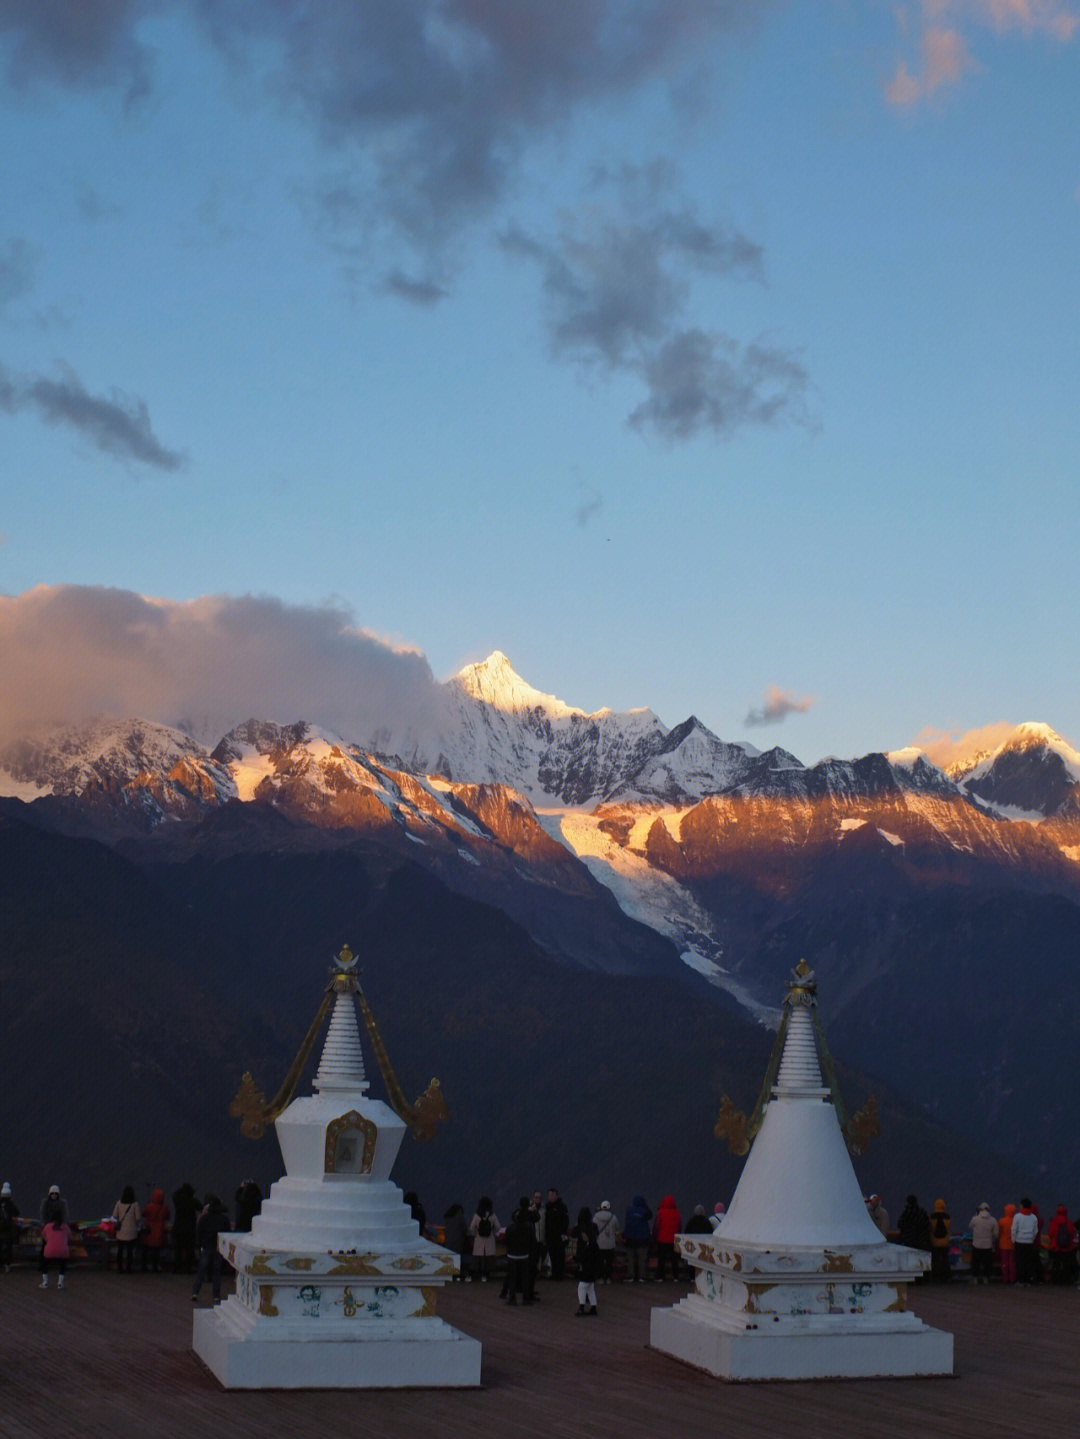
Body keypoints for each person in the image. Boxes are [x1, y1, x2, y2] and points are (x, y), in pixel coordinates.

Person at [192, 1195, 230, 1304]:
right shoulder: (224, 1219)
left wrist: (200, 1244)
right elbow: (227, 1234)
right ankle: (216, 1295)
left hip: (206, 1246)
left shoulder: (204, 1218)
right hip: (218, 1247)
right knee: (217, 1272)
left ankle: (195, 1292)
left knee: (202, 1270)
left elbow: (198, 1231)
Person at [503, 1201, 534, 1305]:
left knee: (513, 1278)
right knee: (525, 1278)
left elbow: (506, 1241)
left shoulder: (510, 1228)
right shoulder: (529, 1227)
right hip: (524, 1256)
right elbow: (532, 1241)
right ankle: (526, 1299)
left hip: (512, 1256)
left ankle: (512, 1298)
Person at [573, 1207, 600, 1316]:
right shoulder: (594, 1227)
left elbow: (573, 1234)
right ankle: (593, 1307)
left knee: (582, 1286)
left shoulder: (579, 1227)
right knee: (590, 1287)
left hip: (584, 1259)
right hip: (593, 1263)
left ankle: (581, 1307)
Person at [111, 1186, 142, 1274]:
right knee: (130, 1251)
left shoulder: (119, 1203)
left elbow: (114, 1216)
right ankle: (129, 1268)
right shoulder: (135, 1204)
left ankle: (120, 1267)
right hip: (131, 1231)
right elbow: (138, 1218)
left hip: (121, 1232)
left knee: (120, 1250)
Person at [468, 1197, 499, 1283]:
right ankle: (485, 1276)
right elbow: (498, 1227)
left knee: (477, 1259)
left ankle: (471, 1275)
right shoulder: (492, 1216)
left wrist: (476, 1234)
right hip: (489, 1240)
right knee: (488, 1260)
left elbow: (472, 1228)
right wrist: (492, 1233)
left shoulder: (477, 1215)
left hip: (479, 1240)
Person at [172, 1183, 200, 1274]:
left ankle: (177, 1268)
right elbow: (201, 1207)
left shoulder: (179, 1201)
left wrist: (180, 1189)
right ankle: (188, 1268)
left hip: (179, 1228)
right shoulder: (193, 1201)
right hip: (189, 1228)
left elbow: (174, 1195)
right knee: (189, 1249)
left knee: (178, 1249)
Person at [653, 1194, 682, 1281]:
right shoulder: (677, 1213)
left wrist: (655, 1236)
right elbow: (680, 1226)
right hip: (673, 1239)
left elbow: (657, 1226)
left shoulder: (661, 1212)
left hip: (662, 1239)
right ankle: (675, 1276)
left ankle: (661, 1276)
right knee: (674, 1259)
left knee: (661, 1258)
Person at [623, 1194, 652, 1282]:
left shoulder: (629, 1210)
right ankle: (642, 1276)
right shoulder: (644, 1211)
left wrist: (624, 1235)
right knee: (642, 1258)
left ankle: (631, 1276)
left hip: (630, 1238)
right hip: (642, 1238)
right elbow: (650, 1215)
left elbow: (627, 1223)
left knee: (631, 1258)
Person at [39, 1211, 71, 1290]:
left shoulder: (48, 1226)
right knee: (62, 1264)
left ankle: (45, 1282)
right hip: (63, 1251)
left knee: (44, 1263)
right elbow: (70, 1237)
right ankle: (60, 1283)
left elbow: (43, 1236)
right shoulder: (65, 1227)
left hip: (49, 1251)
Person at [140, 1187, 170, 1273]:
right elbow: (168, 1217)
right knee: (156, 1251)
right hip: (159, 1231)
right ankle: (155, 1266)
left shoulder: (149, 1206)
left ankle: (144, 1266)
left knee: (145, 1249)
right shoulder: (164, 1208)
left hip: (149, 1231)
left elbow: (143, 1213)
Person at [1046, 1204, 1077, 1285]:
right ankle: (1066, 1279)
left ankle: (1056, 1279)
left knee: (1056, 1263)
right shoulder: (1069, 1224)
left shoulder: (1053, 1223)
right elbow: (1072, 1234)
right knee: (1066, 1264)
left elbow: (1050, 1234)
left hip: (1055, 1247)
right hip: (1067, 1248)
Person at [1011, 1198, 1039, 1285]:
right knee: (1028, 1262)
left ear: (1022, 1205)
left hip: (1019, 1241)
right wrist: (1031, 1238)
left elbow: (1014, 1229)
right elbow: (1035, 1230)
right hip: (1029, 1242)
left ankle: (1020, 1280)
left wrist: (1013, 1239)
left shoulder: (1017, 1216)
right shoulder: (1033, 1217)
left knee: (1020, 1261)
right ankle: (1027, 1280)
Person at [544, 1189, 570, 1281]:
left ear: (557, 1195)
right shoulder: (547, 1207)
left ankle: (559, 1274)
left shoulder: (562, 1207)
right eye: (549, 1195)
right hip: (550, 1236)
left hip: (559, 1236)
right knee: (552, 1256)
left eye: (553, 1195)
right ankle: (553, 1273)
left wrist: (562, 1232)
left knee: (559, 1256)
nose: (551, 1197)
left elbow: (566, 1221)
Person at [969, 1202, 997, 1284]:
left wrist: (976, 1215)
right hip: (988, 1245)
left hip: (976, 1244)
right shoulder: (993, 1220)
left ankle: (974, 1278)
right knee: (987, 1263)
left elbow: (970, 1226)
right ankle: (986, 1278)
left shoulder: (975, 1219)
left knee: (975, 1262)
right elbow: (996, 1233)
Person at [441, 1203, 469, 1281]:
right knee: (457, 1258)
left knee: (450, 1258)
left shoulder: (448, 1217)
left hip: (448, 1241)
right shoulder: (460, 1216)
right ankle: (456, 1275)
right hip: (458, 1241)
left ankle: (449, 1273)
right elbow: (465, 1228)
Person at [593, 1201, 618, 1283]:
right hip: (610, 1243)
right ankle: (608, 1278)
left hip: (599, 1243)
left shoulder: (595, 1217)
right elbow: (616, 1228)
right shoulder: (613, 1218)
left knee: (599, 1262)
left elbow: (593, 1229)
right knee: (609, 1262)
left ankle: (599, 1278)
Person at [929, 1199, 951, 1281]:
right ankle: (946, 1277)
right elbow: (948, 1228)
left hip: (934, 1241)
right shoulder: (947, 1217)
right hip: (945, 1242)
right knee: (945, 1260)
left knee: (935, 1260)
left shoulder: (931, 1216)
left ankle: (935, 1276)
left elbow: (930, 1228)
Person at [0, 1182, 19, 1271]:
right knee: (8, 1247)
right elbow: (16, 1213)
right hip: (7, 1228)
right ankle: (7, 1264)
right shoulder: (10, 1204)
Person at [998, 1203, 1017, 1284]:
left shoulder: (1002, 1221)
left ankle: (1005, 1278)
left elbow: (999, 1232)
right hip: (1013, 1244)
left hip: (1004, 1244)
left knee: (1004, 1262)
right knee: (1012, 1262)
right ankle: (1012, 1278)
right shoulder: (1016, 1221)